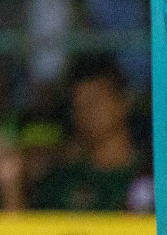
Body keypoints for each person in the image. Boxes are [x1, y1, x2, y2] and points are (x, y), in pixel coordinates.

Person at [35, 57, 151, 212]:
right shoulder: (61, 180)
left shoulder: (152, 172)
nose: (87, 111)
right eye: (78, 105)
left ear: (123, 102)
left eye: (95, 100)